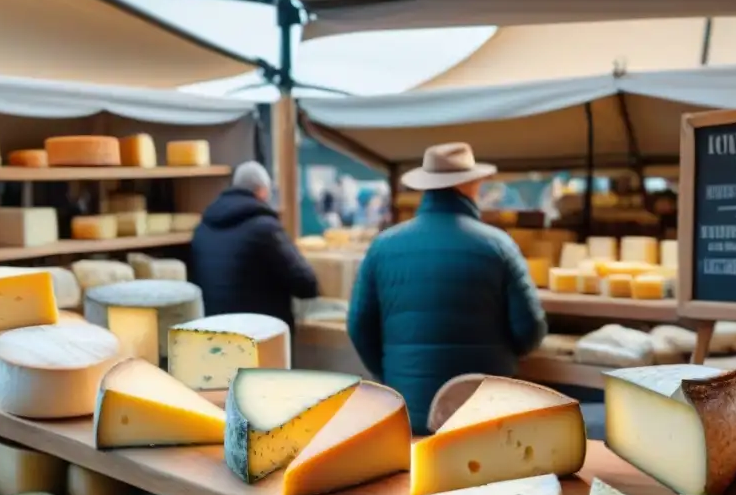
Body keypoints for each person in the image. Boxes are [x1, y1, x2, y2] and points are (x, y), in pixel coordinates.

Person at [347, 142, 548, 434]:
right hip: (484, 414)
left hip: (406, 415)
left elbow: (358, 326)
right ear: (470, 184)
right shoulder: (499, 245)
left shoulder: (382, 246)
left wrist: (393, 372)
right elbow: (530, 330)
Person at [191, 161, 318, 329]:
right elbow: (307, 285)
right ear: (263, 191)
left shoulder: (202, 228)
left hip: (215, 333)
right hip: (259, 336)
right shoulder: (265, 229)